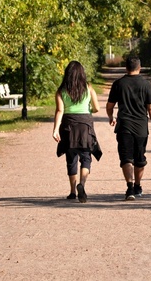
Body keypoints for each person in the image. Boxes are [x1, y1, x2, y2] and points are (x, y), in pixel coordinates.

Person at [106, 56, 151, 200]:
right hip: (141, 127)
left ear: (126, 68)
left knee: (126, 158)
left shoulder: (118, 84)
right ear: (139, 68)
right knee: (139, 159)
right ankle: (137, 186)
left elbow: (109, 106)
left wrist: (111, 117)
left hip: (124, 126)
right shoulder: (146, 85)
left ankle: (129, 188)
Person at [53, 61, 101, 203]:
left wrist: (55, 129)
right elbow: (97, 108)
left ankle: (72, 192)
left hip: (68, 126)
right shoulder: (88, 88)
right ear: (82, 73)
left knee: (71, 158)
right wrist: (87, 111)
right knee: (86, 157)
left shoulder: (61, 90)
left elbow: (60, 110)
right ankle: (82, 184)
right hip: (85, 125)